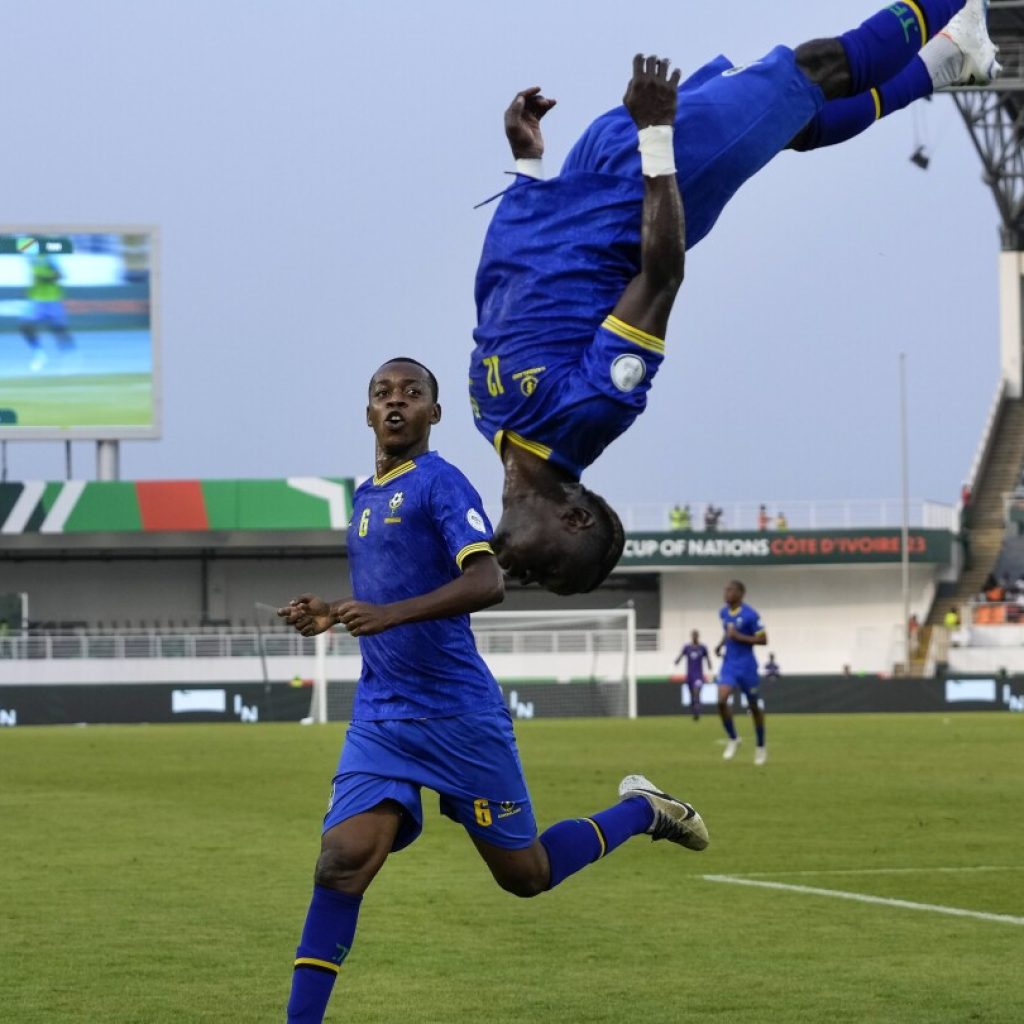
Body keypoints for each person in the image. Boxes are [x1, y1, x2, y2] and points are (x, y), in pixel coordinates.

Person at [469, 1, 999, 595]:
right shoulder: (588, 417)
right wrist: (657, 136)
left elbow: (510, 283)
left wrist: (528, 163)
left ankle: (948, 61)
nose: (523, 576)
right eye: (549, 570)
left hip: (578, 175)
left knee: (786, 120)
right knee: (813, 70)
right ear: (575, 518)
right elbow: (660, 276)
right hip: (638, 197)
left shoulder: (489, 418)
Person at [279, 358, 709, 1024]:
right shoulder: (363, 498)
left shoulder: (442, 485)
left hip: (458, 717)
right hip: (383, 717)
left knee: (526, 875)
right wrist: (334, 611)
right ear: (367, 413)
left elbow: (487, 583)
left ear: (434, 413)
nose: (396, 403)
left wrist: (386, 615)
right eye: (382, 395)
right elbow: (389, 591)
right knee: (340, 864)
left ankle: (645, 811)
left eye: (412, 394)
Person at [714, 580, 768, 765]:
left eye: (729, 590)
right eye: (725, 589)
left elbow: (763, 640)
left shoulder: (750, 615)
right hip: (729, 664)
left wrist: (739, 637)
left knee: (754, 707)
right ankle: (734, 738)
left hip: (747, 666)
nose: (726, 593)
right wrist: (721, 644)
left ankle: (760, 746)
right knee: (721, 700)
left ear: (740, 593)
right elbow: (727, 632)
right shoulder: (723, 612)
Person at [19, 254, 74, 372]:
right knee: (25, 325)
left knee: (58, 329)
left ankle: (69, 355)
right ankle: (39, 354)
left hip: (52, 299)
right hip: (36, 299)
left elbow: (61, 275)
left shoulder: (50, 257)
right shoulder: (30, 254)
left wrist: (45, 279)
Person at [673, 629, 712, 721]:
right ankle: (694, 712)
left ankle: (697, 713)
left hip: (698, 676)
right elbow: (680, 657)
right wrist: (675, 663)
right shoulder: (687, 647)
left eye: (696, 635)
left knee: (696, 694)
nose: (694, 637)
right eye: (693, 635)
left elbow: (708, 659)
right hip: (689, 676)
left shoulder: (702, 648)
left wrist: (710, 669)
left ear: (698, 636)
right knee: (691, 697)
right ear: (691, 637)